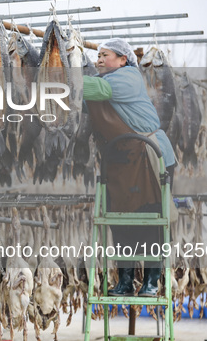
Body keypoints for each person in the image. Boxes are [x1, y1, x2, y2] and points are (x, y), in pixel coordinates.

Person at [82, 38, 177, 297]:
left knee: (151, 220)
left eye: (105, 55)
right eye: (97, 56)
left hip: (150, 158)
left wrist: (55, 78)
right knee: (120, 224)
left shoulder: (128, 77)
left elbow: (95, 90)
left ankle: (150, 281)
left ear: (123, 59)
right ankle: (125, 282)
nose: (99, 59)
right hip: (122, 162)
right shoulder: (104, 81)